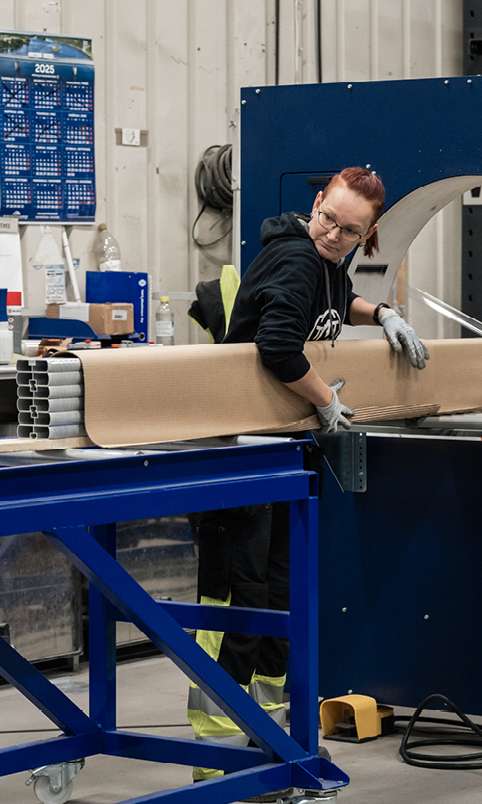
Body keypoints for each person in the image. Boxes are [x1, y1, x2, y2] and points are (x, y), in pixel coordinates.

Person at [187, 167, 428, 794]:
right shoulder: (298, 258)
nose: (332, 235)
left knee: (278, 605)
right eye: (328, 219)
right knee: (240, 610)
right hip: (241, 463)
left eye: (349, 231)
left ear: (366, 234)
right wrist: (327, 400)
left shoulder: (323, 262)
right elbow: (277, 346)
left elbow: (335, 301)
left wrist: (383, 314)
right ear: (316, 203)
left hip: (278, 460)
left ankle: (268, 742)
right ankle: (218, 762)